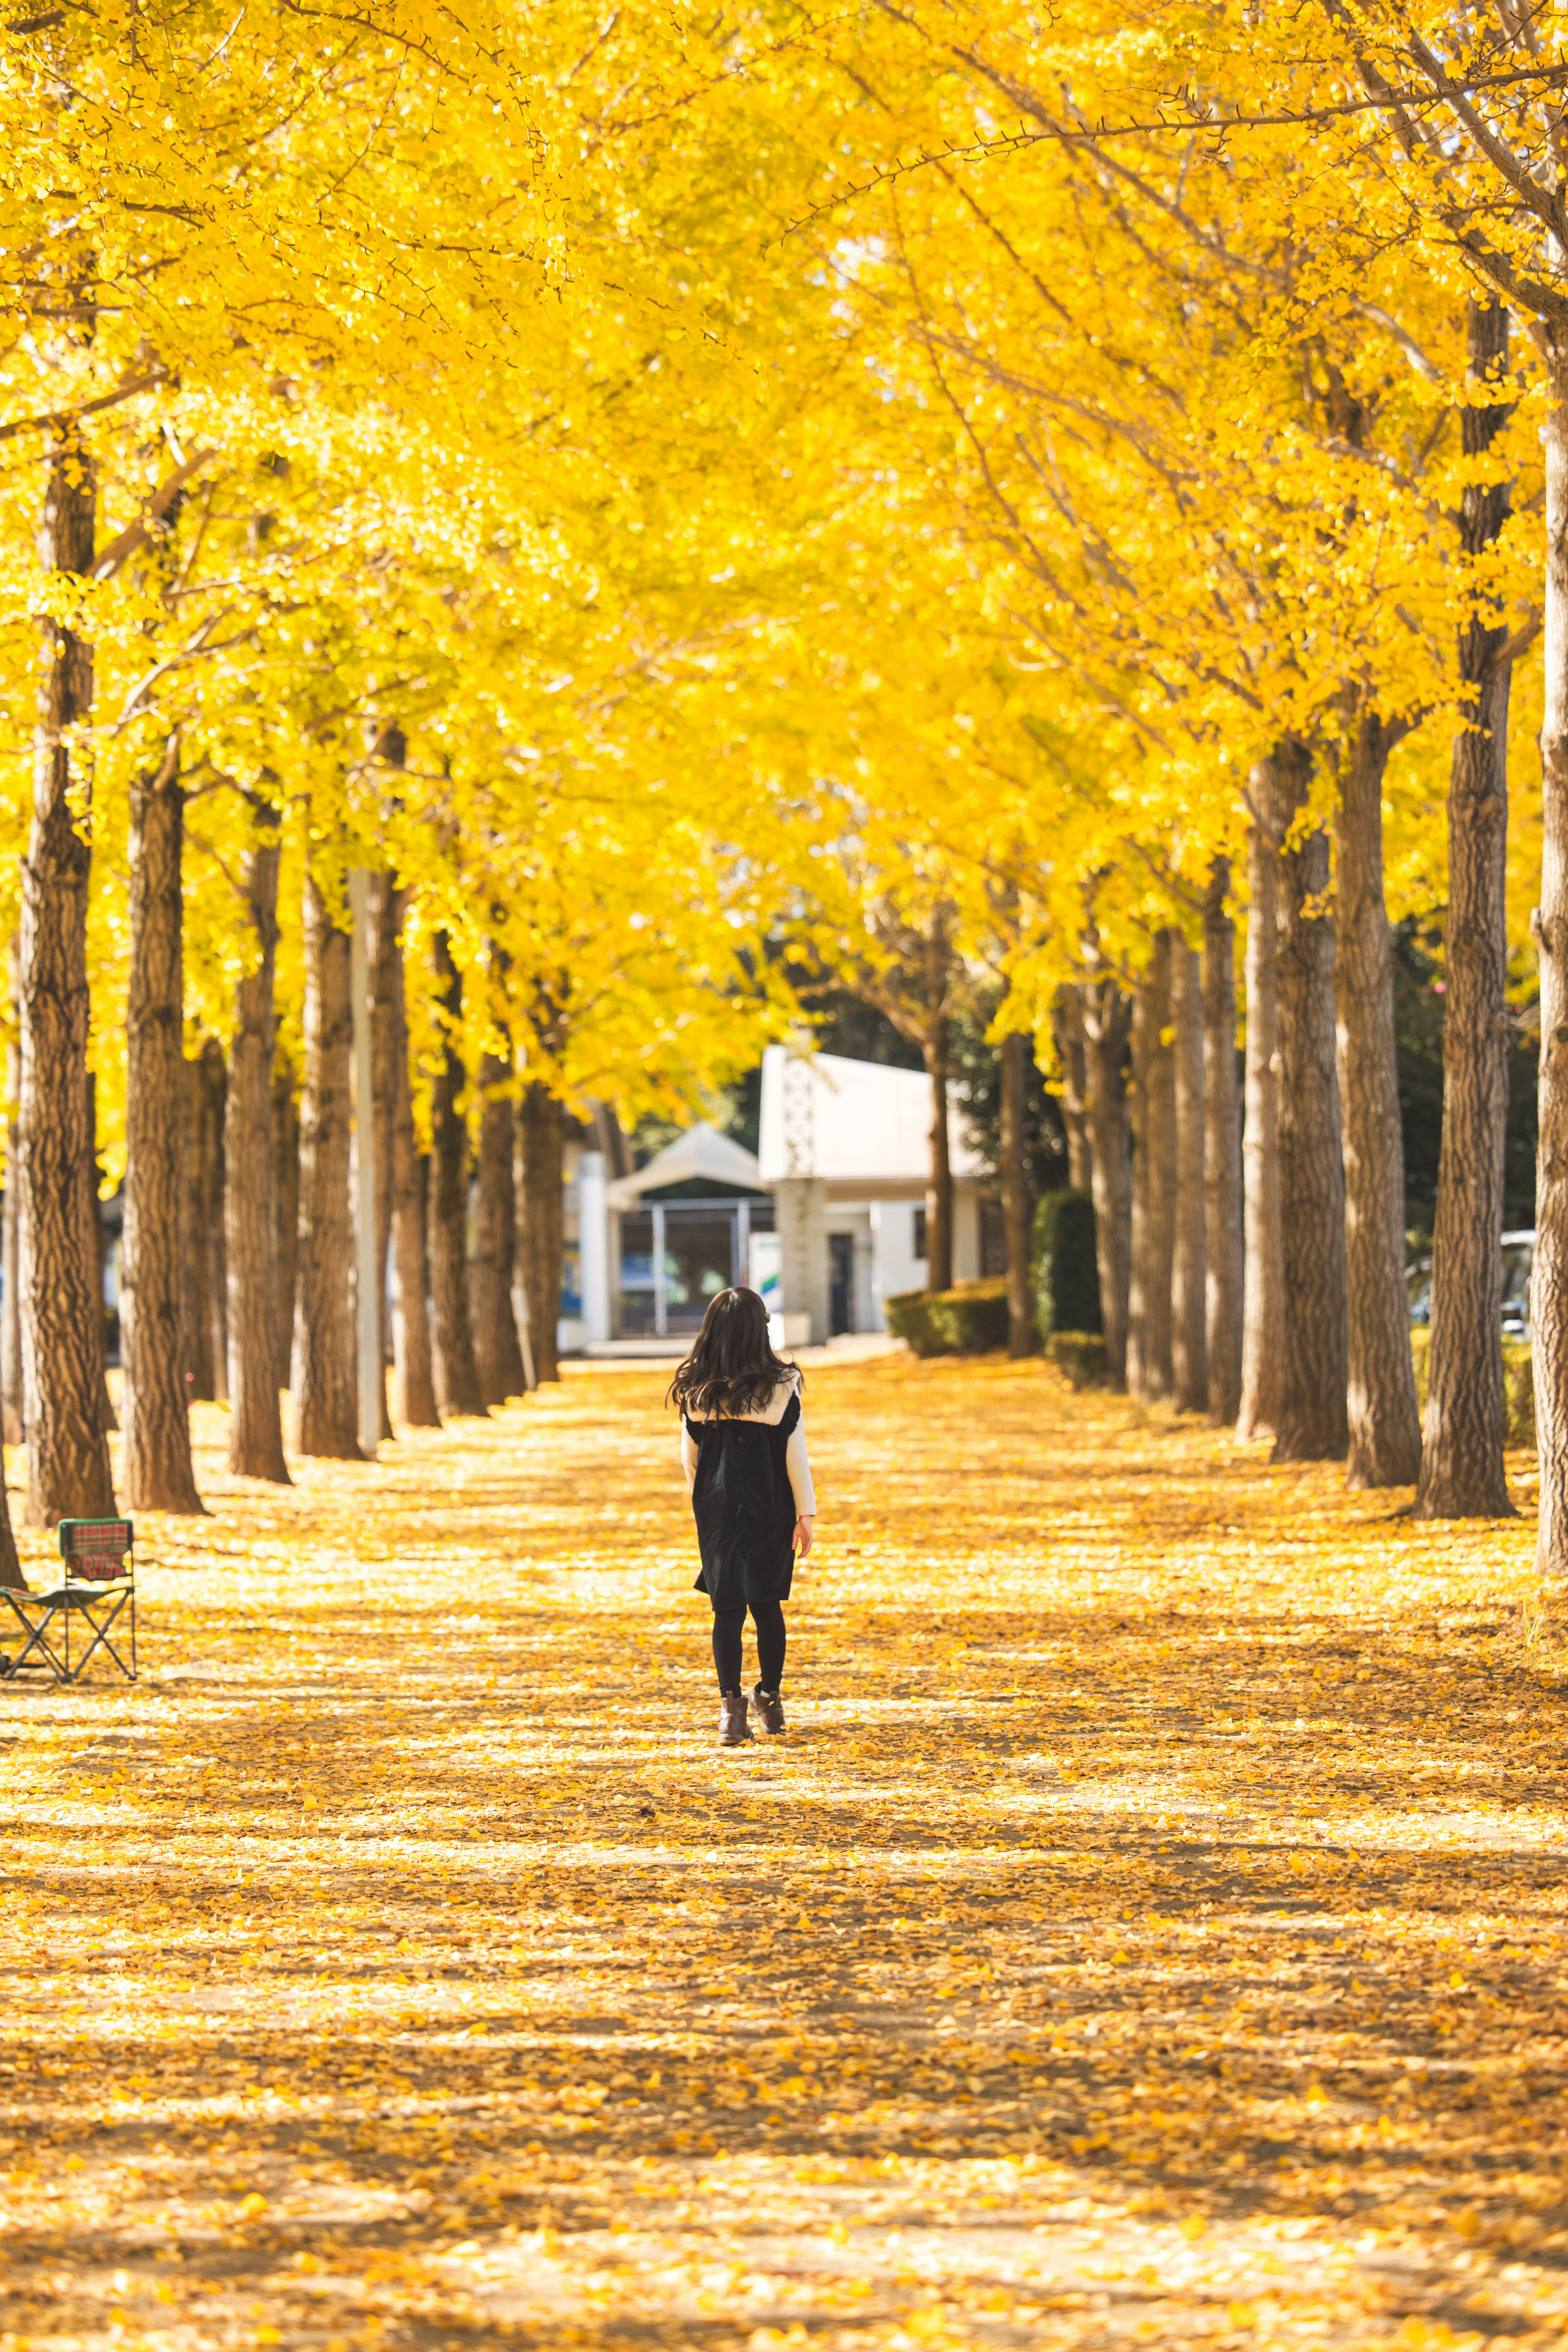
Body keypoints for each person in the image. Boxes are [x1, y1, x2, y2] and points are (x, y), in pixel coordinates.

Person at [670, 1286, 816, 1746]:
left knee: (727, 1608)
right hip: (771, 1507)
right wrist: (805, 1513)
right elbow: (797, 1457)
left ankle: (731, 1711)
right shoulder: (781, 1387)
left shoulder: (696, 1391)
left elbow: (689, 1460)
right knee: (768, 1606)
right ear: (760, 1330)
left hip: (716, 1509)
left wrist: (705, 1503)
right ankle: (768, 1696)